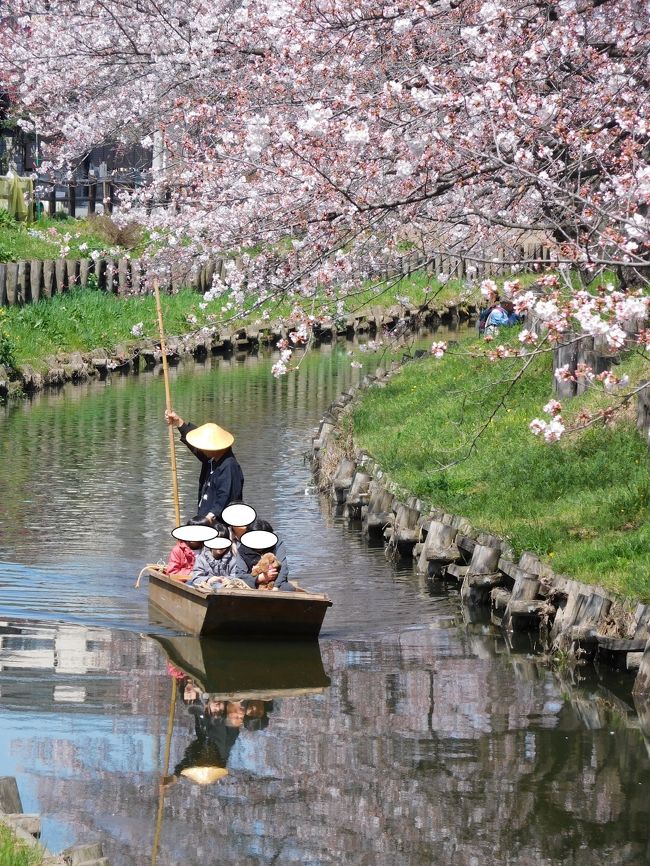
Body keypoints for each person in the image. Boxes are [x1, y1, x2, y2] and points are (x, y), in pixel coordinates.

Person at [164, 410, 244, 524]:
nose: (201, 448)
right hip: (205, 520)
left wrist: (210, 517)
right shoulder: (211, 459)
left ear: (214, 448)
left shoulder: (229, 466)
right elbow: (196, 446)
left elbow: (225, 496)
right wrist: (179, 423)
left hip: (220, 526)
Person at [235, 520, 293, 592]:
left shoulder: (277, 544)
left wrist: (275, 587)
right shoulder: (242, 548)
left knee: (288, 588)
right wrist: (260, 578)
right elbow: (240, 574)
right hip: (251, 582)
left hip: (275, 582)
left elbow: (283, 569)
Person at [188, 522, 239, 589]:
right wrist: (209, 579)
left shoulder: (233, 560)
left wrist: (228, 580)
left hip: (226, 591)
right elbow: (196, 578)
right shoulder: (201, 559)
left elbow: (237, 576)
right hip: (207, 590)